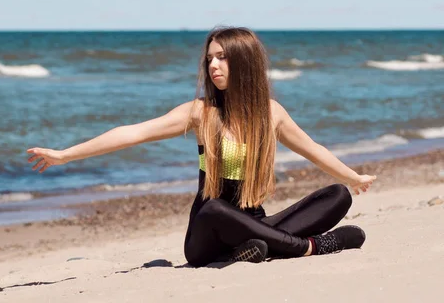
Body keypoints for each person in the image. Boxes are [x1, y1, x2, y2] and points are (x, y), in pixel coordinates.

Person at [26, 27, 377, 267]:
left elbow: (312, 149)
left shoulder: (271, 114)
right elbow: (133, 133)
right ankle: (308, 247)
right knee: (214, 210)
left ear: (244, 61)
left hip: (256, 226)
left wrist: (353, 176)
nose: (213, 65)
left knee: (338, 194)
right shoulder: (200, 113)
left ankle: (254, 250)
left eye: (222, 57)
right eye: (210, 58)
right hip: (206, 238)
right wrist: (65, 154)